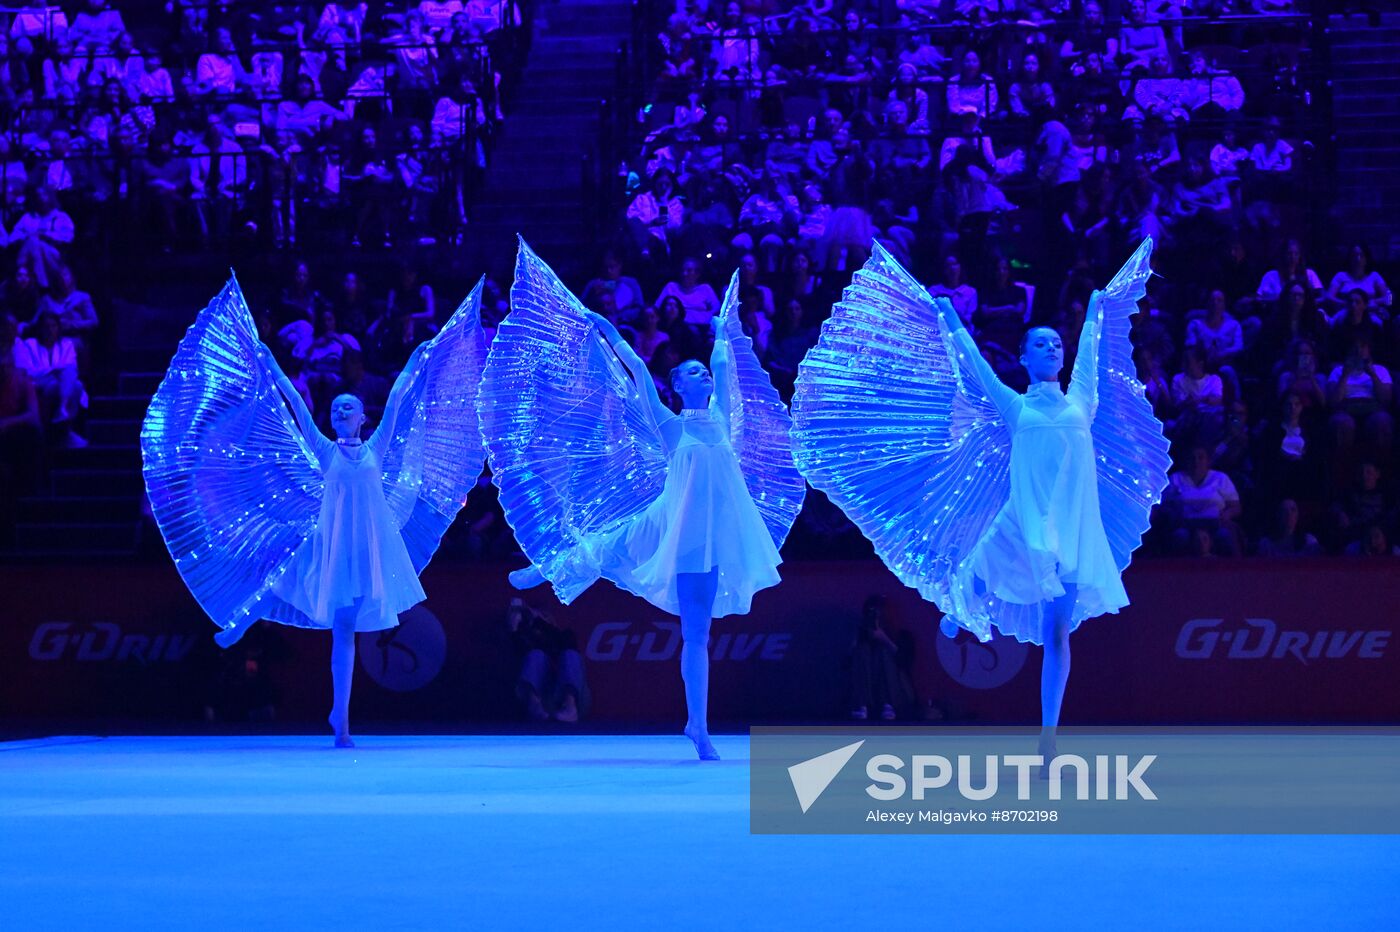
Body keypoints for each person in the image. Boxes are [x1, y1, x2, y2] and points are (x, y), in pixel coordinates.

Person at [791, 240, 1169, 774]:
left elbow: (1091, 351)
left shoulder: (1081, 401)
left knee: (1058, 635)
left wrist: (1097, 307)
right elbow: (974, 370)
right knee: (973, 583)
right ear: (1024, 356)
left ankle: (1048, 737)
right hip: (1021, 522)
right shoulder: (1016, 407)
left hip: (1073, 530)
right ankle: (957, 607)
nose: (1052, 350)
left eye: (1055, 345)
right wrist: (947, 317)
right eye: (1040, 345)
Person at [482, 242, 804, 760]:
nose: (701, 375)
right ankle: (546, 566)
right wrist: (609, 330)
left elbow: (724, 364)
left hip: (714, 534)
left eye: (703, 374)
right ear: (677, 385)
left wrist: (723, 325)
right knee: (606, 543)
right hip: (671, 524)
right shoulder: (671, 427)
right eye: (691, 373)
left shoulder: (720, 419)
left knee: (696, 634)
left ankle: (697, 725)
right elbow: (633, 370)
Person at [142, 278, 488, 747]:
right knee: (282, 583)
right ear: (333, 418)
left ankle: (339, 719)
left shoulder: (376, 447)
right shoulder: (325, 452)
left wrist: (420, 356)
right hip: (330, 544)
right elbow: (293, 406)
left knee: (344, 631)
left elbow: (403, 393)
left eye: (351, 406)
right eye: (338, 406)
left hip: (363, 547)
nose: (343, 408)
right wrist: (267, 362)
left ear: (362, 417)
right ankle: (239, 625)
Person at [507, 597, 588, 723]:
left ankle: (570, 709)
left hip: (570, 699)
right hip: (539, 699)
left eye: (544, 615)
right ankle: (534, 707)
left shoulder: (565, 635)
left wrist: (539, 619)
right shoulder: (525, 637)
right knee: (536, 655)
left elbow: (564, 644)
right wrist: (514, 630)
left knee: (570, 655)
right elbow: (516, 657)